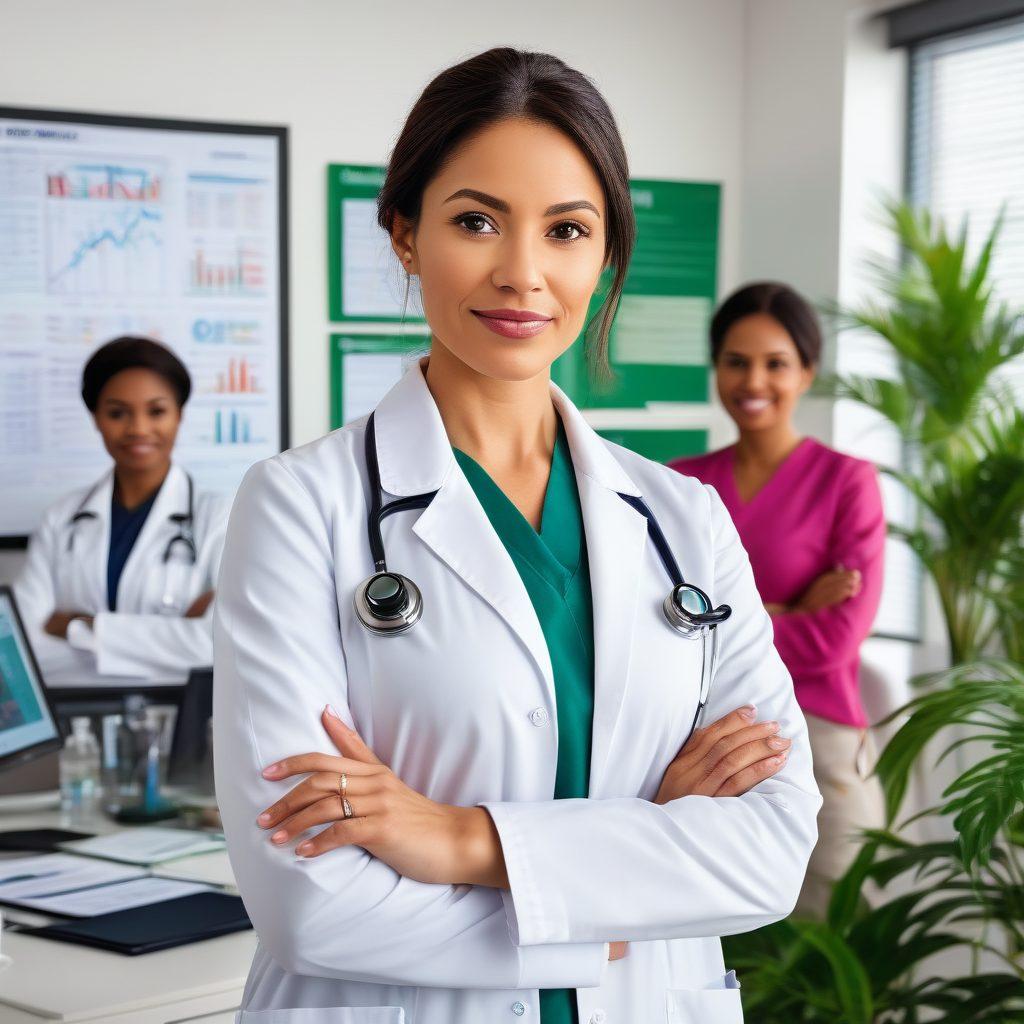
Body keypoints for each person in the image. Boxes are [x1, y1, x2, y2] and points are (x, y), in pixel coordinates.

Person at [213, 48, 821, 1024]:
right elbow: (306, 903)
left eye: (566, 230)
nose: (522, 273)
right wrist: (634, 874)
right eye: (475, 220)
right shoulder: (298, 507)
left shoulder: (684, 521)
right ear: (406, 234)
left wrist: (459, 839)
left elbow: (770, 851)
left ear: (606, 254)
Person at [668, 282, 887, 919]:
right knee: (725, 930)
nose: (752, 380)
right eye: (735, 361)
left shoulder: (848, 482)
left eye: (775, 363)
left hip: (821, 733)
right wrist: (786, 611)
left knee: (843, 928)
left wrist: (723, 619)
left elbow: (835, 642)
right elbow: (657, 621)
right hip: (701, 736)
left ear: (807, 372)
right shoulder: (681, 483)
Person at [14, 336, 230, 680]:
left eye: (156, 411)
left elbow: (217, 644)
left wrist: (76, 626)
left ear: (179, 416)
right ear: (96, 418)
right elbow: (22, 648)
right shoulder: (61, 518)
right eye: (117, 413)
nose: (138, 429)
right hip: (79, 725)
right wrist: (169, 643)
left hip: (181, 724)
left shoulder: (221, 517)